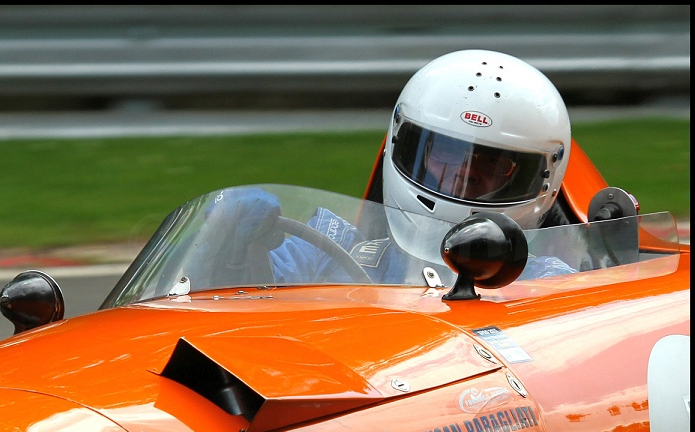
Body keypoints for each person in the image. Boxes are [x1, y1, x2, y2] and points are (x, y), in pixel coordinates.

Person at [220, 50, 578, 284]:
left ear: (543, 178)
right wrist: (226, 243)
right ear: (406, 146)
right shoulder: (329, 248)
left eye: (496, 164)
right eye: (446, 151)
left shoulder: (552, 288)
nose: (463, 173)